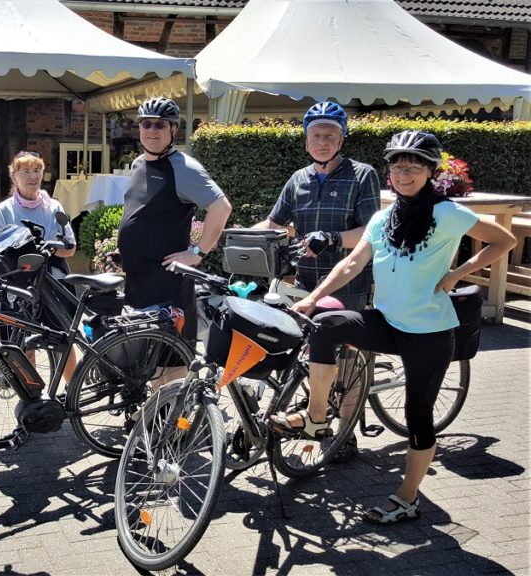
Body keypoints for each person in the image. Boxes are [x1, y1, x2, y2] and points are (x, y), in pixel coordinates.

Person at [272, 130, 515, 524]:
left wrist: (458, 274)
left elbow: (501, 240)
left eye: (414, 165)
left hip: (429, 332)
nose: (404, 172)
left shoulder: (446, 213)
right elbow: (351, 264)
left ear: (430, 171)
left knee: (419, 416)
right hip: (386, 321)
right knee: (325, 324)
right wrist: (314, 296)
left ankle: (407, 498)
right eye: (398, 165)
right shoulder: (383, 218)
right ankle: (318, 419)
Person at [252, 100, 381, 462]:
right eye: (315, 135)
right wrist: (235, 238)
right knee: (306, 352)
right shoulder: (299, 179)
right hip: (305, 281)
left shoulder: (361, 175)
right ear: (306, 140)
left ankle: (346, 433)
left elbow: (373, 233)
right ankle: (312, 412)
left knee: (348, 360)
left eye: (330, 135)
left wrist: (336, 238)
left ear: (342, 139)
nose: (322, 141)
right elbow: (274, 222)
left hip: (348, 281)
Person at [117, 96, 232, 340]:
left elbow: (221, 207)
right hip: (137, 281)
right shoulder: (138, 164)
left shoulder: (182, 167)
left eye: (159, 124)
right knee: (142, 360)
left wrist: (197, 252)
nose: (151, 130)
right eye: (146, 124)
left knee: (170, 361)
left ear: (173, 129)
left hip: (167, 282)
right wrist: (125, 252)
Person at [0, 150, 78, 381]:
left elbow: (70, 248)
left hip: (53, 281)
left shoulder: (54, 208)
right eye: (25, 171)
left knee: (63, 341)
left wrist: (46, 247)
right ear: (14, 176)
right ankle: (32, 398)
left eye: (37, 170)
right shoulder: (4, 211)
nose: (32, 176)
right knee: (22, 345)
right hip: (18, 281)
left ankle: (73, 392)